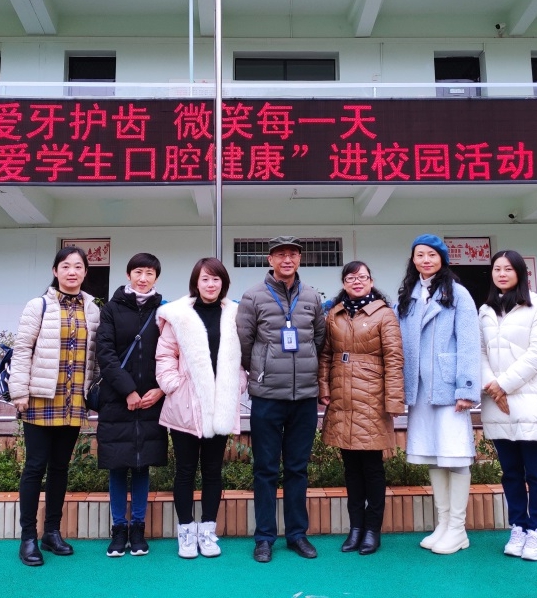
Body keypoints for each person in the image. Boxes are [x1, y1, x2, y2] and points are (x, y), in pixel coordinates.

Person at [9, 246, 101, 567]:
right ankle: (28, 538)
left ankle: (52, 532)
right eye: (65, 266)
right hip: (40, 398)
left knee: (60, 467)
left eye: (78, 266)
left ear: (85, 272)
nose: (72, 272)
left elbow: (95, 356)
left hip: (74, 400)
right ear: (55, 271)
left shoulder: (92, 309)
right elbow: (22, 349)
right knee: (35, 466)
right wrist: (19, 391)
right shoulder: (39, 305)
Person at [237, 235, 327, 563]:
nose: (287, 260)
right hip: (267, 397)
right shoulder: (253, 296)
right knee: (265, 469)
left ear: (299, 260)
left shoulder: (312, 297)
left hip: (304, 397)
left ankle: (297, 535)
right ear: (270, 260)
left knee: (297, 468)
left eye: (293, 254)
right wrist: (262, 370)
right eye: (280, 255)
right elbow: (244, 342)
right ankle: (264, 538)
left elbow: (319, 339)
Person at [155, 257, 247, 559]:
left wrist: (239, 382)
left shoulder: (234, 314)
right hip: (186, 404)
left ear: (224, 283)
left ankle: (207, 531)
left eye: (216, 279)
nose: (210, 284)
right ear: (196, 282)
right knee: (184, 471)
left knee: (212, 471)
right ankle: (186, 532)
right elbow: (165, 355)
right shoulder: (179, 314)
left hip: (220, 404)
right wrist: (173, 385)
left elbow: (243, 356)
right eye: (205, 279)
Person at [395, 233, 480, 556]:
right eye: (420, 254)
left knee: (455, 456)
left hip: (449, 390)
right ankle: (443, 524)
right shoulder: (409, 295)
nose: (425, 260)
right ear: (413, 260)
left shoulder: (458, 293)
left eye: (431, 254)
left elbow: (469, 343)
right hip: (420, 391)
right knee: (433, 456)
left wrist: (466, 389)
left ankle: (458, 529)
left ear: (442, 259)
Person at [318, 260, 405, 556]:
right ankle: (355, 528)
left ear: (371, 281)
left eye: (362, 277)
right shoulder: (335, 314)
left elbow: (394, 358)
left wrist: (394, 399)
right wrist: (324, 388)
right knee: (351, 468)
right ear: (344, 283)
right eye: (351, 278)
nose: (357, 282)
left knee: (372, 468)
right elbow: (326, 355)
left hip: (372, 398)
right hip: (342, 397)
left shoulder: (384, 314)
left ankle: (372, 529)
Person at [479, 249, 537, 562]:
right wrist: (491, 385)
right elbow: (479, 353)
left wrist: (503, 385)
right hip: (497, 404)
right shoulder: (486, 310)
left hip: (530, 401)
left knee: (535, 472)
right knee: (510, 472)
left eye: (508, 269)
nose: (501, 274)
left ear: (520, 273)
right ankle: (519, 527)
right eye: (497, 268)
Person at [95, 252, 167, 557]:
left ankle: (138, 527)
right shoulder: (111, 309)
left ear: (156, 277)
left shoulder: (164, 311)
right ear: (128, 275)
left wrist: (160, 390)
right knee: (117, 465)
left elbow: (172, 354)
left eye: (149, 273)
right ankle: (119, 528)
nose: (143, 278)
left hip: (151, 399)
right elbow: (105, 353)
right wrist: (128, 391)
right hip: (117, 400)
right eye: (138, 272)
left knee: (141, 465)